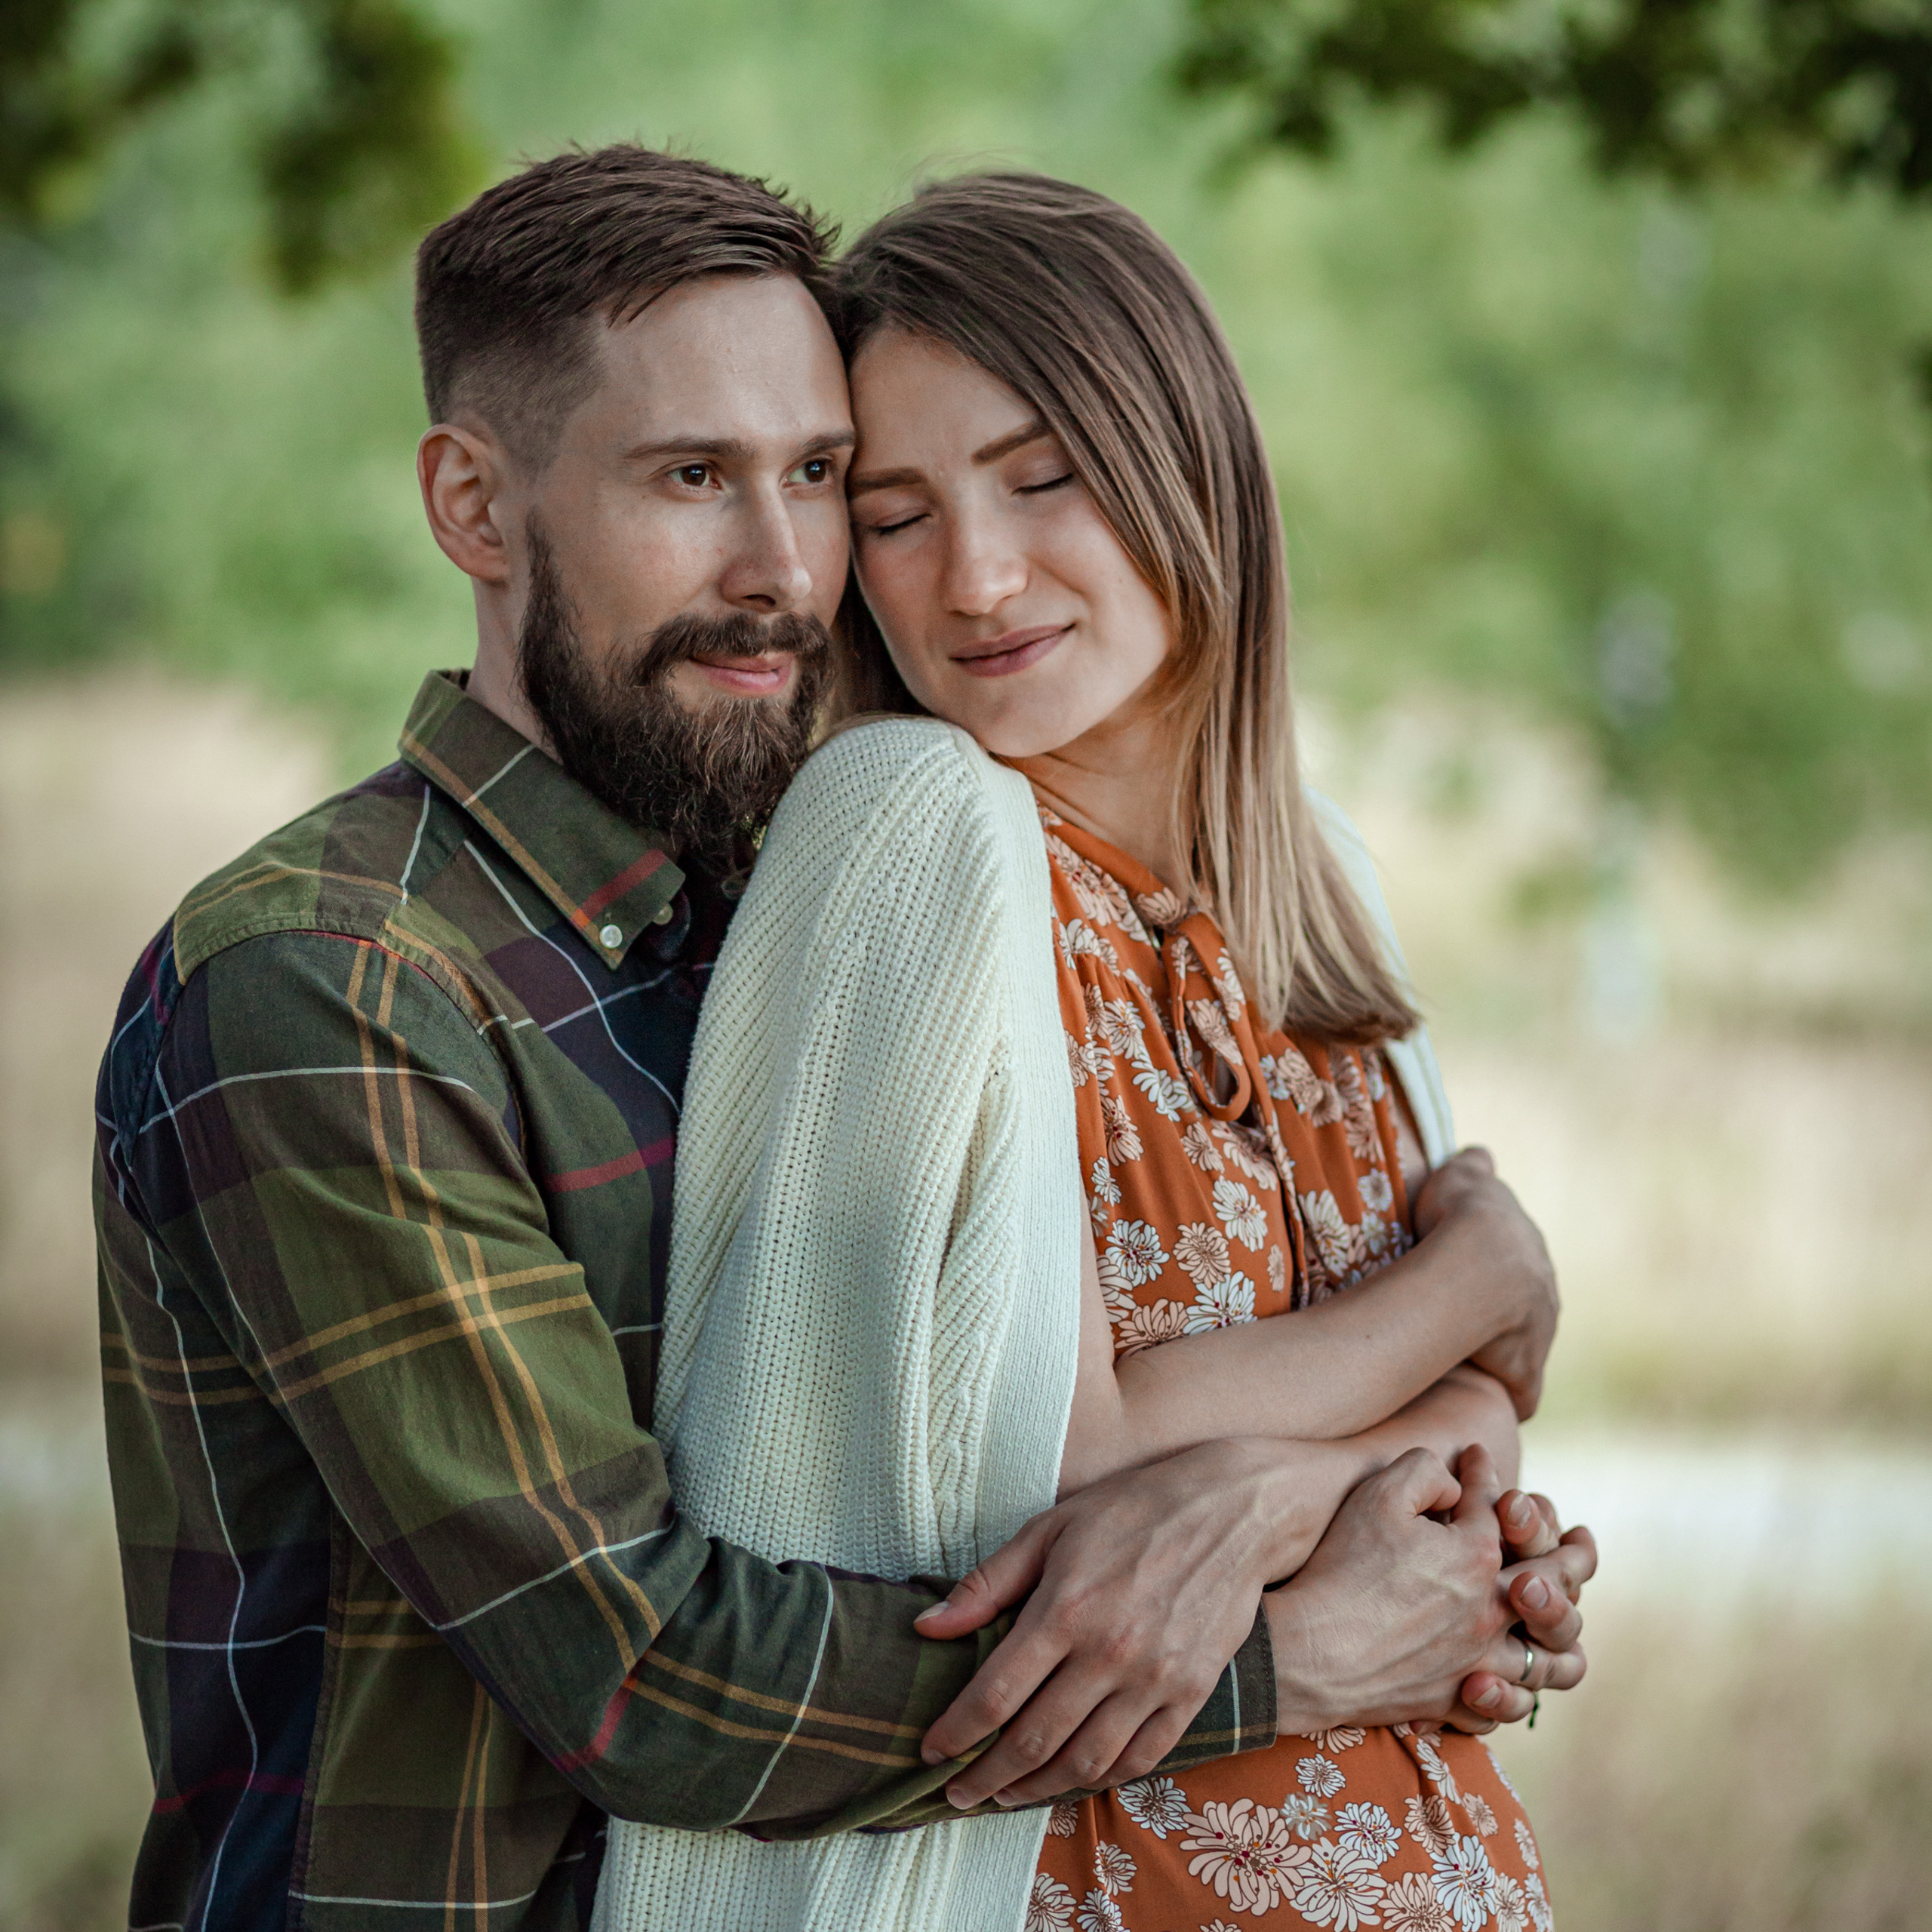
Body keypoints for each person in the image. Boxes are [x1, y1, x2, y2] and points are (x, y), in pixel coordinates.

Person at [92, 146, 1589, 1932]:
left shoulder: (778, 889)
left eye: (815, 478)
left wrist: (1303, 1483)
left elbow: (1013, 1454)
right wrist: (1297, 1641)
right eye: (693, 479)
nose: (782, 565)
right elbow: (643, 1672)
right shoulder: (337, 984)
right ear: (475, 510)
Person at [593, 172, 1588, 1931]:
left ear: (1182, 458)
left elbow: (1481, 1441)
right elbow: (1038, 1467)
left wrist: (1278, 1474)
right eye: (892, 516)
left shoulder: (1317, 879)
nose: (975, 576)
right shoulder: (913, 838)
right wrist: (1477, 1275)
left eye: (1042, 476)